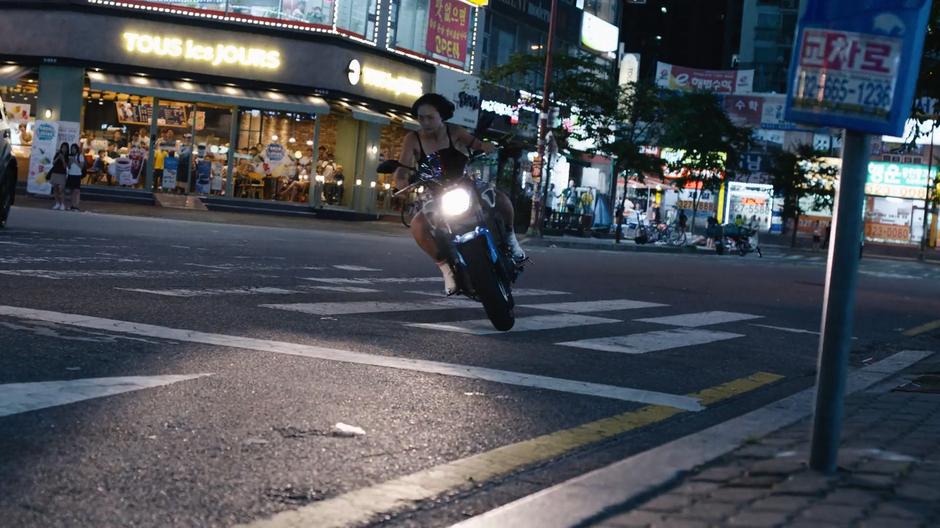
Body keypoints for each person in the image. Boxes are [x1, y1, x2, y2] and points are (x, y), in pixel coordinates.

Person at [394, 93, 524, 295]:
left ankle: (510, 239)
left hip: (466, 183)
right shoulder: (412, 139)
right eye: (421, 118)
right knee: (418, 226)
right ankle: (447, 270)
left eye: (430, 117)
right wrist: (401, 184)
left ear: (441, 116)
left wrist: (486, 147)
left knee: (501, 199)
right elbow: (401, 170)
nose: (425, 122)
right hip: (437, 194)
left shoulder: (455, 131)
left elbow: (477, 145)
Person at [49, 142, 70, 211]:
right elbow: (53, 162)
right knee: (55, 188)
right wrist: (58, 157)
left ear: (67, 149)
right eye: (63, 147)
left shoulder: (67, 156)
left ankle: (63, 204)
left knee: (61, 189)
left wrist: (63, 159)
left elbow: (65, 166)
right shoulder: (58, 154)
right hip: (55, 172)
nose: (64, 149)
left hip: (62, 174)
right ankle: (57, 203)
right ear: (61, 148)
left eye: (65, 148)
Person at [66, 143, 86, 211]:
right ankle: (71, 205)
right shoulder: (70, 156)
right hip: (71, 174)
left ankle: (76, 206)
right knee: (71, 191)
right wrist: (70, 162)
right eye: (72, 149)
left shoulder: (80, 156)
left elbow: (81, 167)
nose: (73, 150)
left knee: (77, 191)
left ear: (76, 149)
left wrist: (74, 161)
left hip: (77, 175)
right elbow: (68, 167)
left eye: (74, 149)